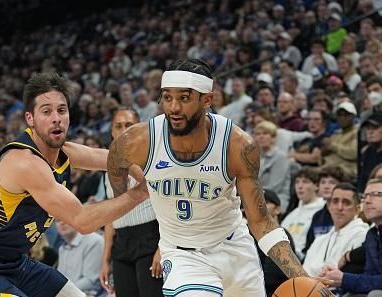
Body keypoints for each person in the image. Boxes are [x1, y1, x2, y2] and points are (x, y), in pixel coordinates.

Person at [107, 59, 311, 297]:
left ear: (207, 100)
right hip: (184, 255)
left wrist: (303, 279)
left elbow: (261, 222)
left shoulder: (237, 145)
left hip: (235, 248)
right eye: (167, 97)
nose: (173, 108)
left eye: (184, 98)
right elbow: (116, 177)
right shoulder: (135, 142)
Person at [0, 73, 149, 297]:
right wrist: (142, 192)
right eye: (46, 111)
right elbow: (82, 221)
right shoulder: (24, 162)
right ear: (30, 119)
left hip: (15, 263)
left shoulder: (64, 153)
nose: (56, 118)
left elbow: (114, 158)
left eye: (62, 110)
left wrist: (150, 167)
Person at [99, 107, 163, 297]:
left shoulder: (154, 161)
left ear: (139, 128)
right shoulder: (107, 168)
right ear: (112, 131)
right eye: (118, 126)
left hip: (151, 237)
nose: (123, 130)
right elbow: (110, 216)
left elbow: (168, 208)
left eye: (129, 125)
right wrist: (105, 259)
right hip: (122, 243)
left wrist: (163, 247)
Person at [321, 178, 382, 296]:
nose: (367, 201)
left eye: (375, 194)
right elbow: (369, 277)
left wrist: (344, 279)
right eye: (365, 196)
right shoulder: (372, 234)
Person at [303, 183, 368, 276]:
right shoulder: (319, 240)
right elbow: (304, 273)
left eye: (346, 202)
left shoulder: (362, 234)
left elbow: (343, 272)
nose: (339, 207)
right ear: (329, 207)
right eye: (335, 201)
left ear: (357, 209)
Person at [56, 219, 104, 295]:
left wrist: (59, 292)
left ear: (76, 220)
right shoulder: (62, 249)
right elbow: (60, 279)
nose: (62, 223)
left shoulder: (94, 241)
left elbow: (90, 281)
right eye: (58, 221)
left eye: (65, 219)